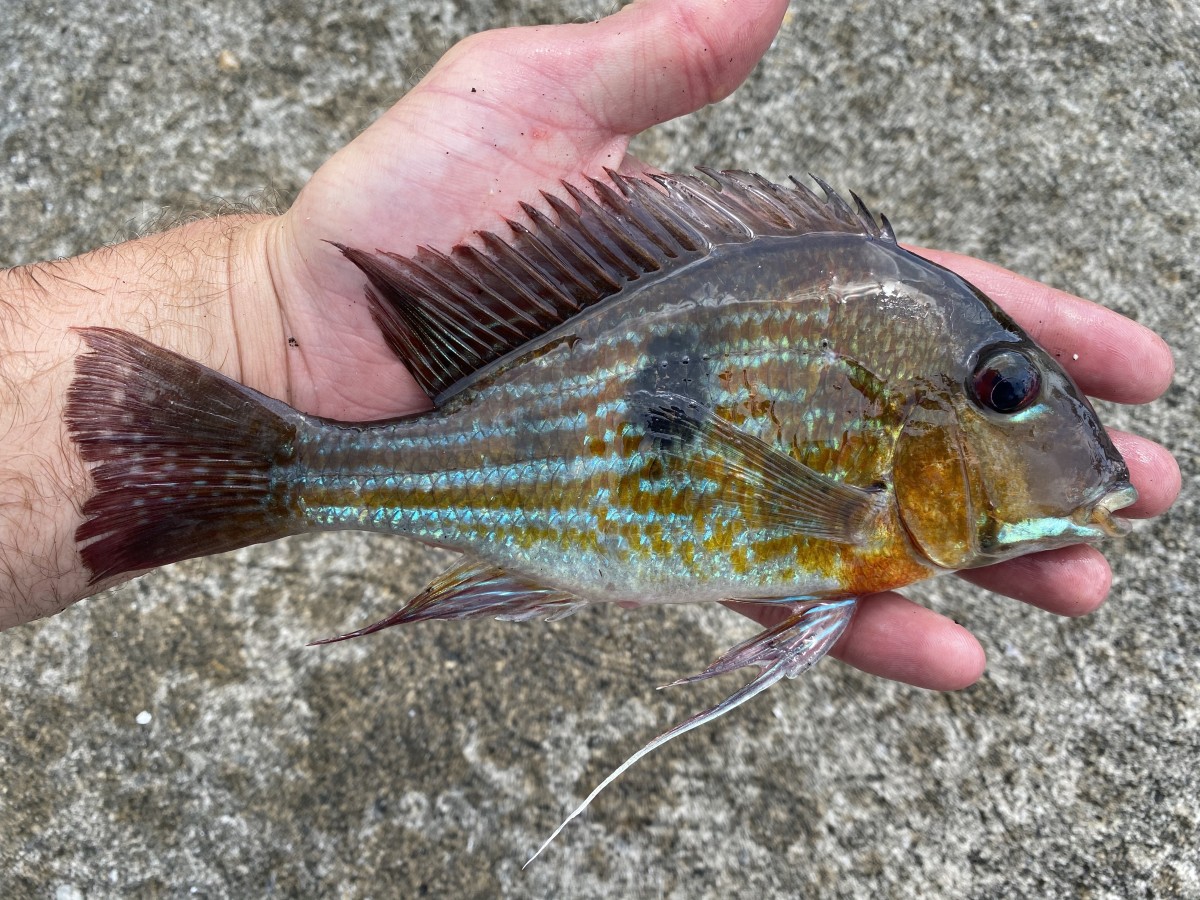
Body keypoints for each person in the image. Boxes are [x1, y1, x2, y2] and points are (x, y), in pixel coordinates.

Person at [0, 0, 1179, 691]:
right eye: (1005, 385)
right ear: (932, 430)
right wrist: (261, 310)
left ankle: (277, 454)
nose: (1032, 401)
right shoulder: (873, 504)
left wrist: (254, 313)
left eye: (1010, 384)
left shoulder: (880, 504)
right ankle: (282, 461)